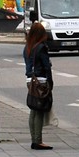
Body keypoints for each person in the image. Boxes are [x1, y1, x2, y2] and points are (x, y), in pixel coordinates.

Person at [23, 22, 53, 150]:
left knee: (33, 110)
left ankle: (34, 139)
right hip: (40, 81)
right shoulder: (41, 47)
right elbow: (46, 66)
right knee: (40, 110)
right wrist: (50, 82)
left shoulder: (27, 47)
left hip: (30, 80)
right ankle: (38, 141)